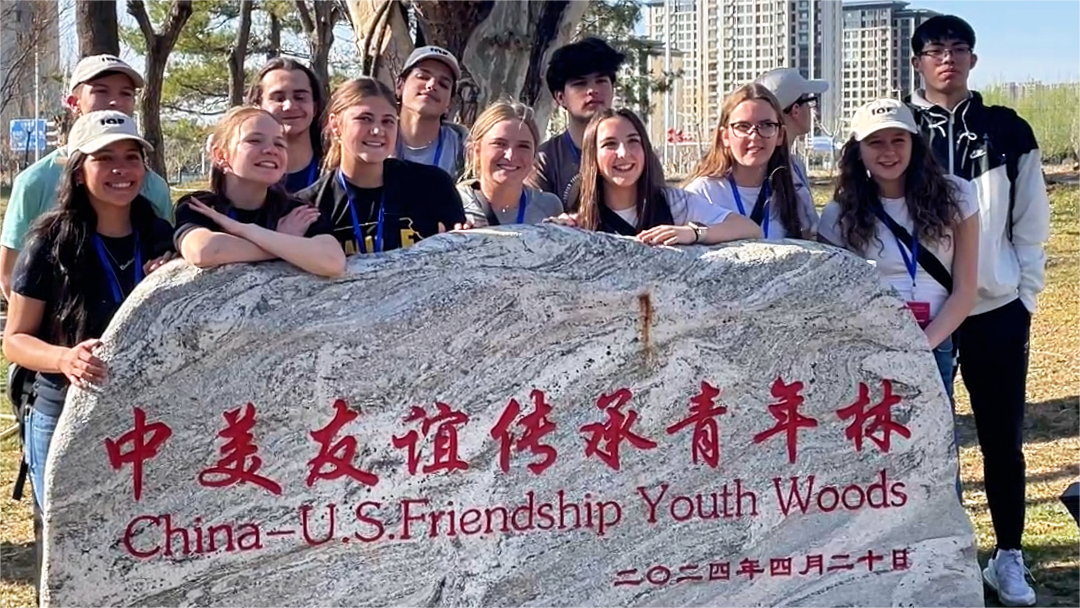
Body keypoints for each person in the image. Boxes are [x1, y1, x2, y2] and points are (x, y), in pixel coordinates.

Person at [904, 15, 1050, 607]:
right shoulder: (897, 128)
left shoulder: (1006, 129)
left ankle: (1008, 555)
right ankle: (939, 552)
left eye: (958, 48)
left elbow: (1031, 223)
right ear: (917, 61)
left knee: (1000, 436)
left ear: (973, 59)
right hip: (920, 311)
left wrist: (1023, 297)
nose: (947, 58)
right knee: (923, 439)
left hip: (995, 307)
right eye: (935, 49)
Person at [3, 110, 175, 508]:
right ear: (79, 172)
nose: (121, 169)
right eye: (104, 158)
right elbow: (14, 340)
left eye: (132, 157)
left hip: (146, 415)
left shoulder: (162, 235)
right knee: (67, 534)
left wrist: (170, 280)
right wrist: (65, 359)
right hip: (63, 412)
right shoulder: (49, 243)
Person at [817, 99, 978, 396]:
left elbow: (966, 290)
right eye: (875, 142)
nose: (889, 151)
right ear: (858, 150)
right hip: (870, 346)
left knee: (934, 426)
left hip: (933, 341)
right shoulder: (838, 214)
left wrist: (921, 346)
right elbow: (835, 296)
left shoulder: (957, 196)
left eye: (898, 140)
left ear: (915, 143)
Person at [0, 54, 174, 299]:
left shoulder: (154, 186)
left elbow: (166, 255)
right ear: (74, 103)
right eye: (101, 91)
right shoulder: (33, 182)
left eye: (126, 93)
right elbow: (11, 275)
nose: (114, 101)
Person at [296, 78, 466, 255]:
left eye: (387, 121)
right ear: (336, 125)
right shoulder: (309, 207)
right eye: (365, 119)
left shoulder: (433, 186)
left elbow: (461, 254)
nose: (377, 131)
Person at [173, 106, 345, 277]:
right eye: (254, 141)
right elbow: (203, 250)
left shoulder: (297, 212)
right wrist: (282, 239)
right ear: (221, 155)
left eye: (279, 143)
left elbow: (332, 261)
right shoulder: (202, 206)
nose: (271, 150)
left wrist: (244, 230)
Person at [551, 108, 761, 245]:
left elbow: (750, 229)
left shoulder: (673, 203)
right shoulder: (581, 216)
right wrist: (563, 229)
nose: (624, 153)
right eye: (610, 144)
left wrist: (693, 233)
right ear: (592, 156)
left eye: (633, 141)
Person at [683, 83, 814, 240]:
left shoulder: (796, 195)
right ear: (725, 136)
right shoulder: (701, 194)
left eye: (766, 125)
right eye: (743, 126)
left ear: (780, 135)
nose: (754, 136)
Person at [529, 37, 625, 209]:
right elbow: (534, 216)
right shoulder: (543, 160)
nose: (593, 90)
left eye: (601, 81)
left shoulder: (635, 152)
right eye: (580, 84)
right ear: (560, 97)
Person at [457, 101, 563, 226]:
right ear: (477, 150)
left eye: (523, 146)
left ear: (534, 154)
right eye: (499, 144)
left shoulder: (549, 207)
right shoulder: (453, 204)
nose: (511, 155)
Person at [754, 67, 827, 234]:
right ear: (795, 109)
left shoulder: (796, 165)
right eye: (810, 102)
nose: (813, 109)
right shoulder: (757, 170)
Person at [246, 58, 326, 193]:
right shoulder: (242, 177)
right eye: (279, 99)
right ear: (258, 107)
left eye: (300, 97)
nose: (289, 106)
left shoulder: (338, 173)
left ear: (315, 107)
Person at [393, 46, 469, 179]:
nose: (432, 85)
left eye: (443, 84)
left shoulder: (464, 151)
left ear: (450, 103)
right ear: (400, 85)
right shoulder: (375, 136)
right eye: (422, 76)